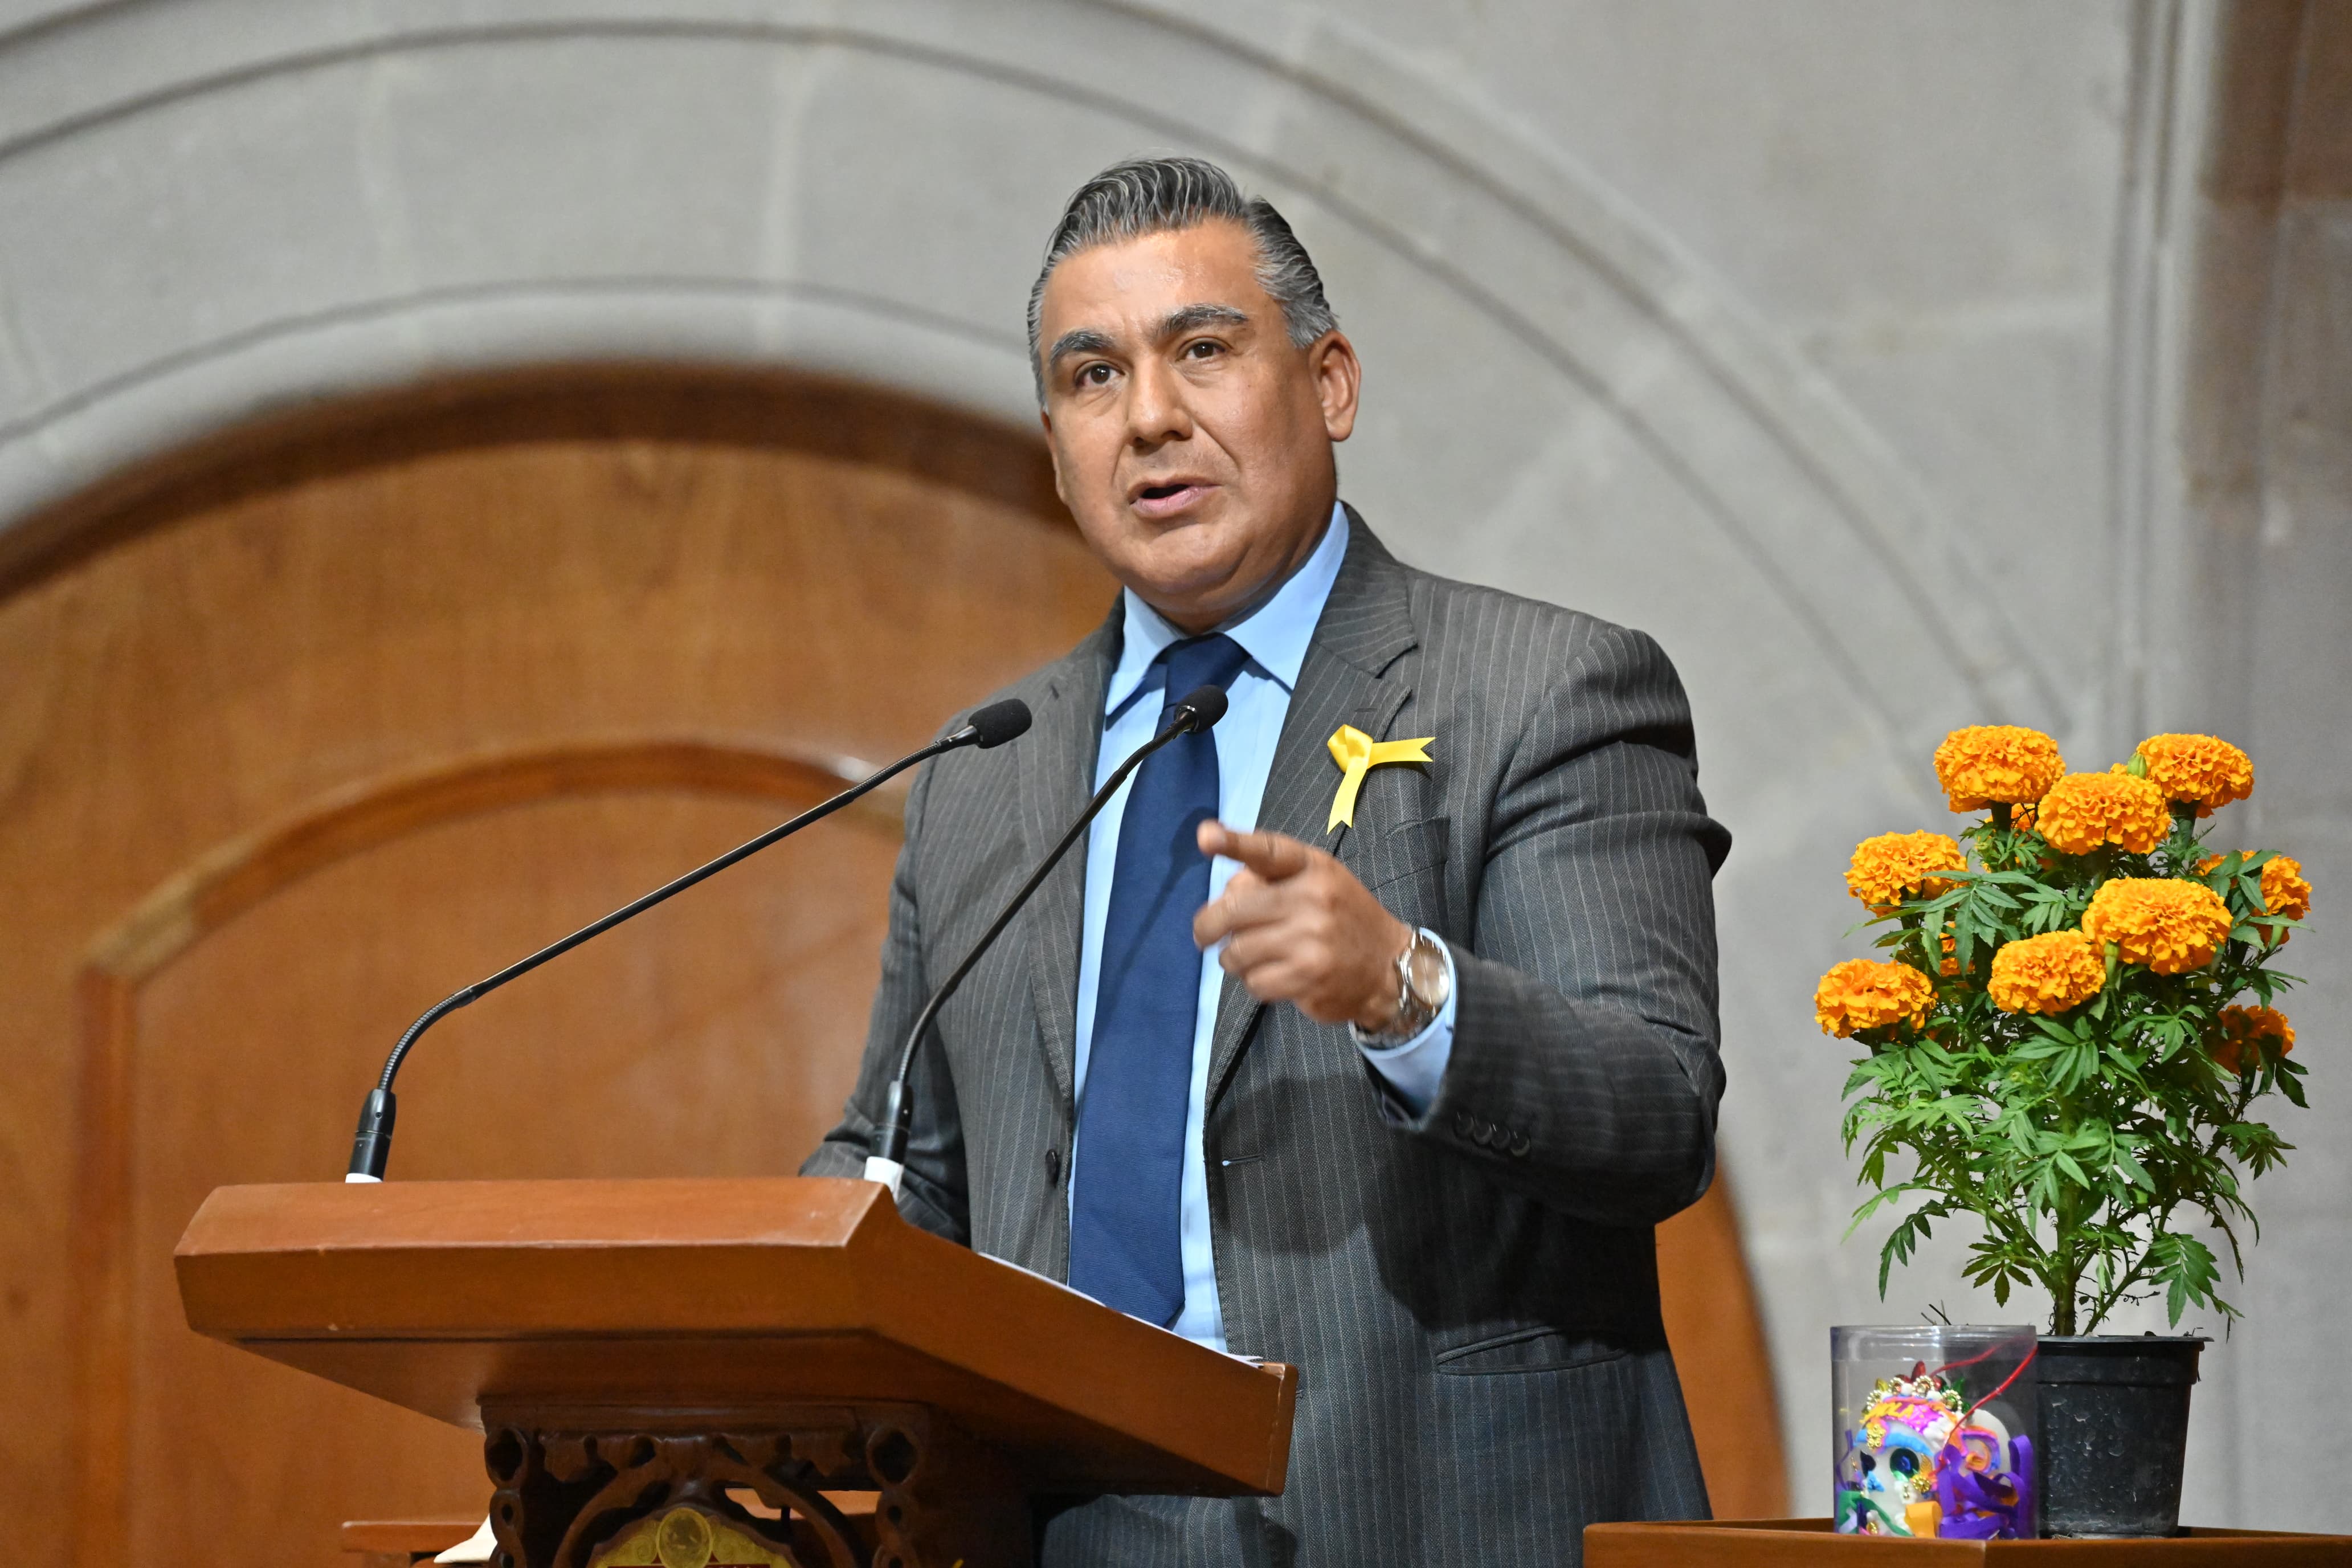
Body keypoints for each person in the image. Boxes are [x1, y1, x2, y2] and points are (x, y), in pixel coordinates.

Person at [806, 155, 1731, 1565]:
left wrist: (1405, 988)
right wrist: (723, 1291)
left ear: (1332, 384)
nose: (1150, 417)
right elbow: (909, 1172)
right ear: (1055, 447)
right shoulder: (986, 769)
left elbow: (1655, 1109)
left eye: (1203, 351)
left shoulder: (1541, 689)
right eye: (1095, 376)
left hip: (1424, 1523)